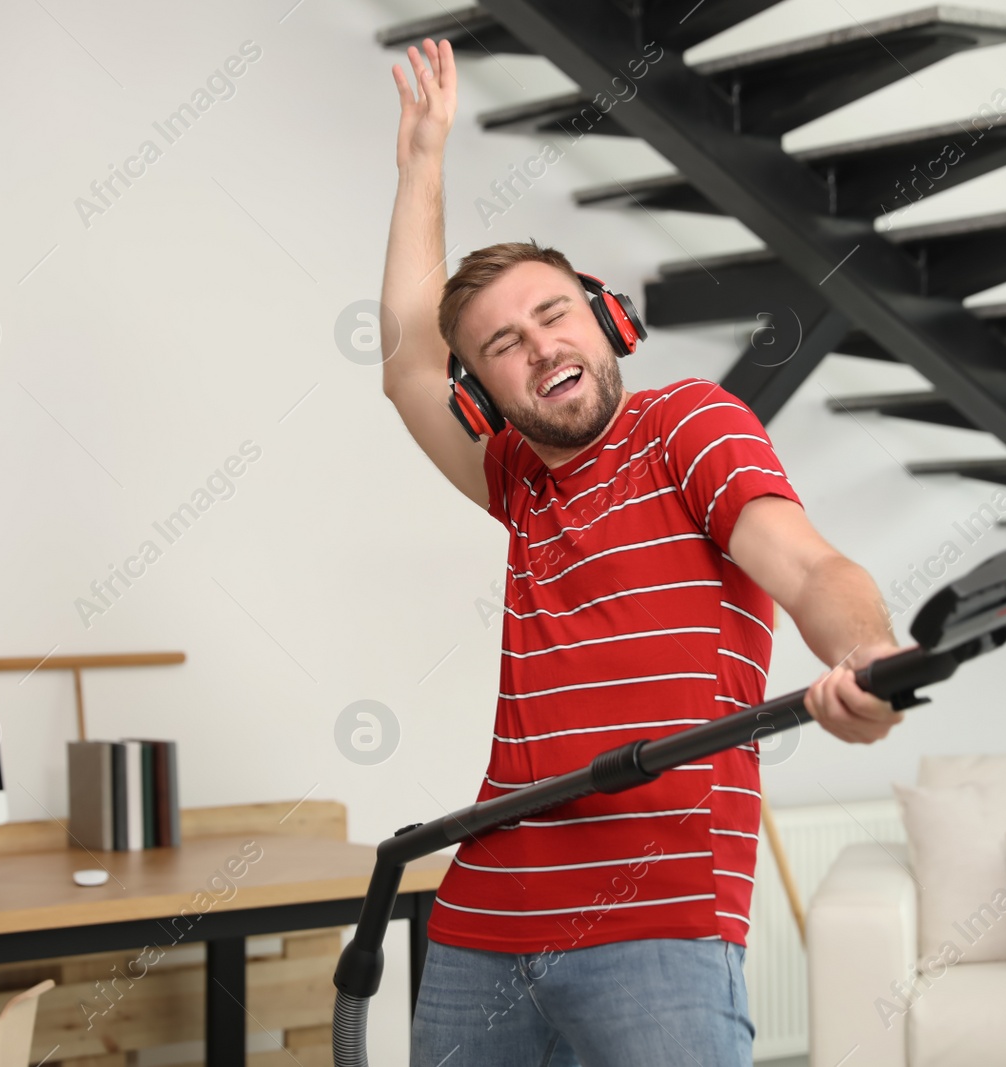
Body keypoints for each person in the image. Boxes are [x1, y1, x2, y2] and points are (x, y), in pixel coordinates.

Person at [380, 37, 907, 1067]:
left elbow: (807, 568)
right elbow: (408, 361)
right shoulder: (516, 483)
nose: (541, 347)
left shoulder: (689, 426)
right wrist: (422, 165)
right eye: (503, 345)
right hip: (487, 908)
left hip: (654, 905)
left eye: (554, 313)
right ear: (485, 394)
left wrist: (868, 656)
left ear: (606, 319)